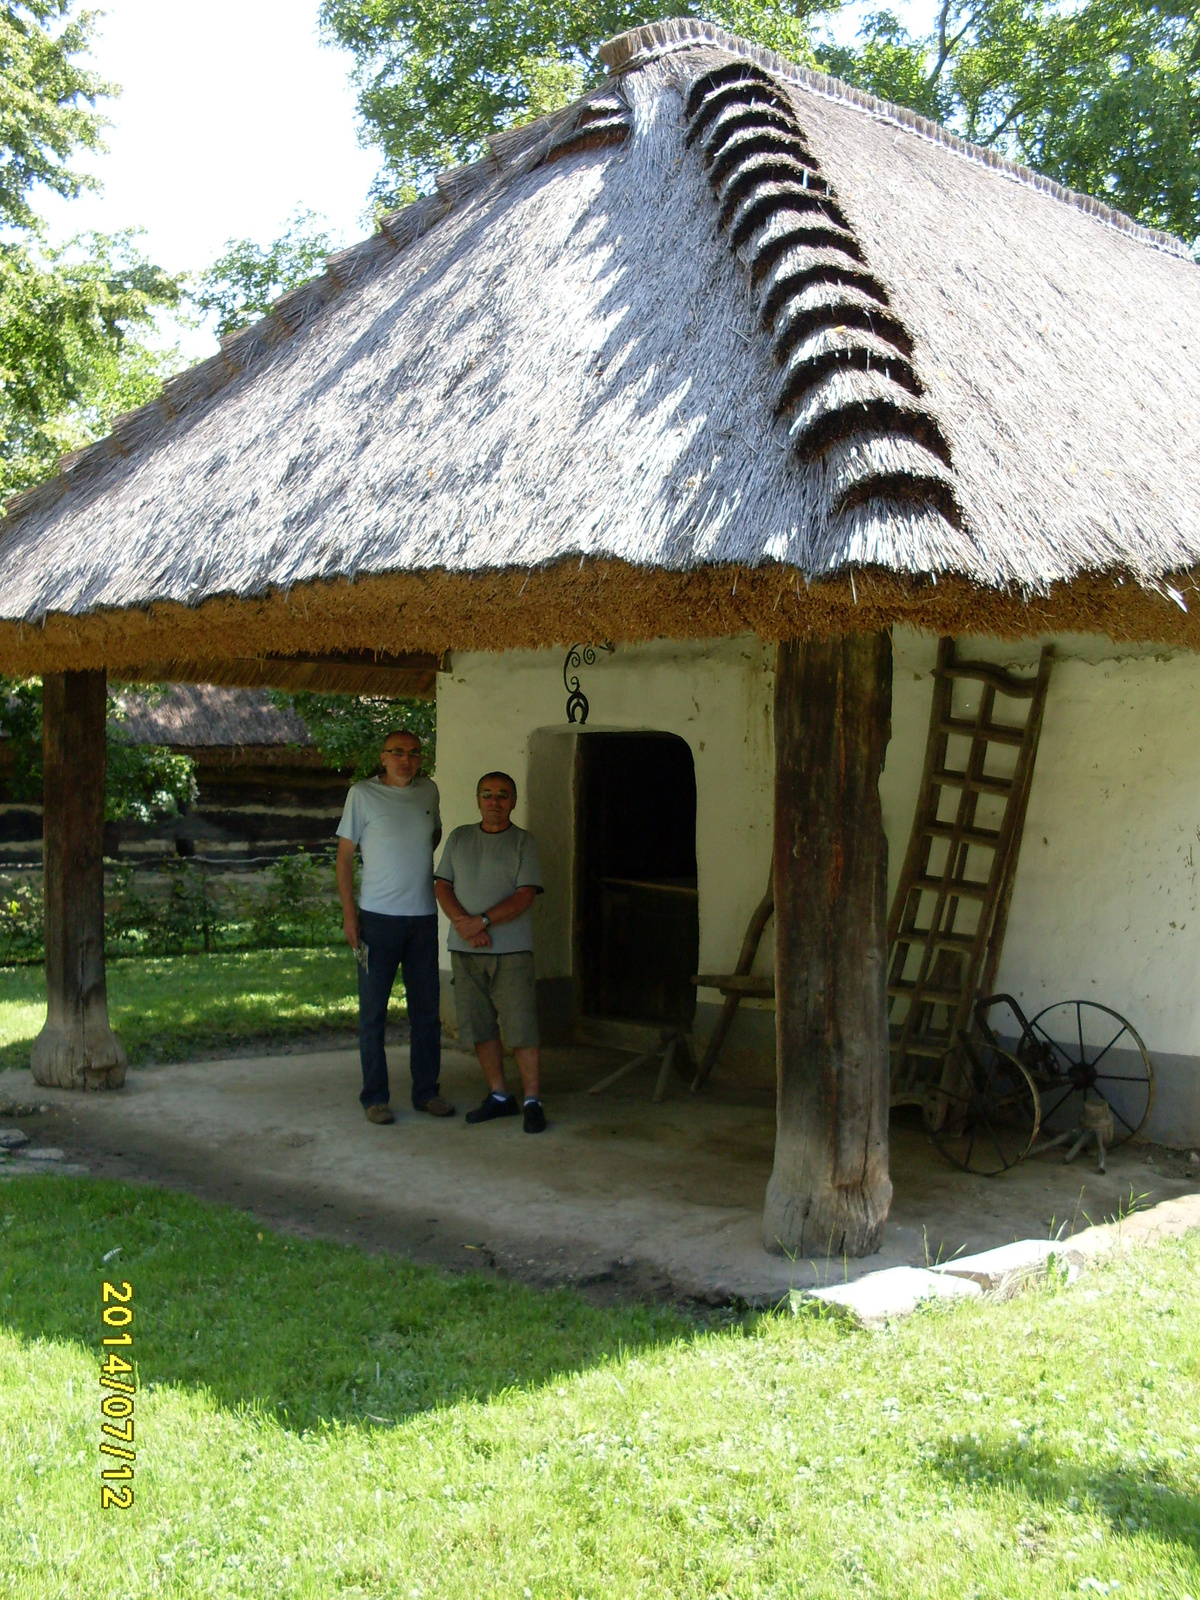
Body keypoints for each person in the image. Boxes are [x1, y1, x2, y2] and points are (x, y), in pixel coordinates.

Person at [336, 730, 454, 1124]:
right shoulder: (363, 794)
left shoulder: (428, 792)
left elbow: (432, 834)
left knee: (426, 1013)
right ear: (382, 756)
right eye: (398, 752)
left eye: (414, 753)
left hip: (421, 919)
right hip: (376, 920)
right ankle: (375, 1097)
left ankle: (426, 1092)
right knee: (373, 1014)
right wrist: (350, 914)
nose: (406, 759)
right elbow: (344, 858)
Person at [433, 771, 546, 1133]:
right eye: (487, 794)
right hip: (465, 951)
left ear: (513, 801)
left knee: (522, 1028)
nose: (494, 801)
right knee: (480, 1026)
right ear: (477, 799)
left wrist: (480, 921)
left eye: (502, 795)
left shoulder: (524, 843)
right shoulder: (459, 837)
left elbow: (524, 895)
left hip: (511, 952)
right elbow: (442, 885)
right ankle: (499, 1095)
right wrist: (463, 923)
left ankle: (532, 1100)